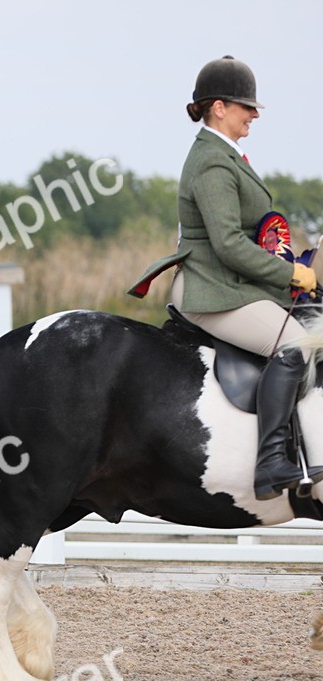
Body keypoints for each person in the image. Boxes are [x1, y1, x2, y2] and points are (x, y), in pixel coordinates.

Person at [129, 55, 320, 500]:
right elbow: (229, 245)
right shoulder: (212, 162)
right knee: (293, 345)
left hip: (234, 285)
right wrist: (292, 271)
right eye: (246, 106)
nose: (253, 114)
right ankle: (271, 461)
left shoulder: (226, 156)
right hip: (212, 289)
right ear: (218, 107)